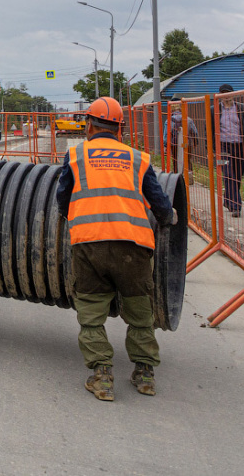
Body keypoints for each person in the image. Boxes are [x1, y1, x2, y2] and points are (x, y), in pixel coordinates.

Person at [57, 96, 177, 401]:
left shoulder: (77, 155)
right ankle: (145, 375)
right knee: (140, 312)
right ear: (120, 129)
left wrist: (78, 219)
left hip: (90, 244)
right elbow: (159, 203)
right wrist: (169, 217)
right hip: (133, 246)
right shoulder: (138, 158)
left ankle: (101, 377)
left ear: (88, 126)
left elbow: (63, 199)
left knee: (92, 313)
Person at [216, 84, 244, 217]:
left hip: (240, 146)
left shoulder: (243, 109)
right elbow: (209, 129)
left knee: (237, 176)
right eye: (223, 94)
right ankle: (236, 206)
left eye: (228, 93)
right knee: (228, 174)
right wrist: (213, 149)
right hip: (223, 148)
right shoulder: (215, 110)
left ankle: (228, 199)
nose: (226, 97)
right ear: (220, 96)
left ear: (233, 94)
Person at [164, 104, 198, 175]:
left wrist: (166, 145)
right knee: (188, 160)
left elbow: (166, 134)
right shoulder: (188, 119)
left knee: (176, 160)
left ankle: (177, 178)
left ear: (171, 110)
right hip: (187, 143)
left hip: (175, 144)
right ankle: (189, 176)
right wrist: (195, 142)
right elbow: (194, 132)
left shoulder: (169, 120)